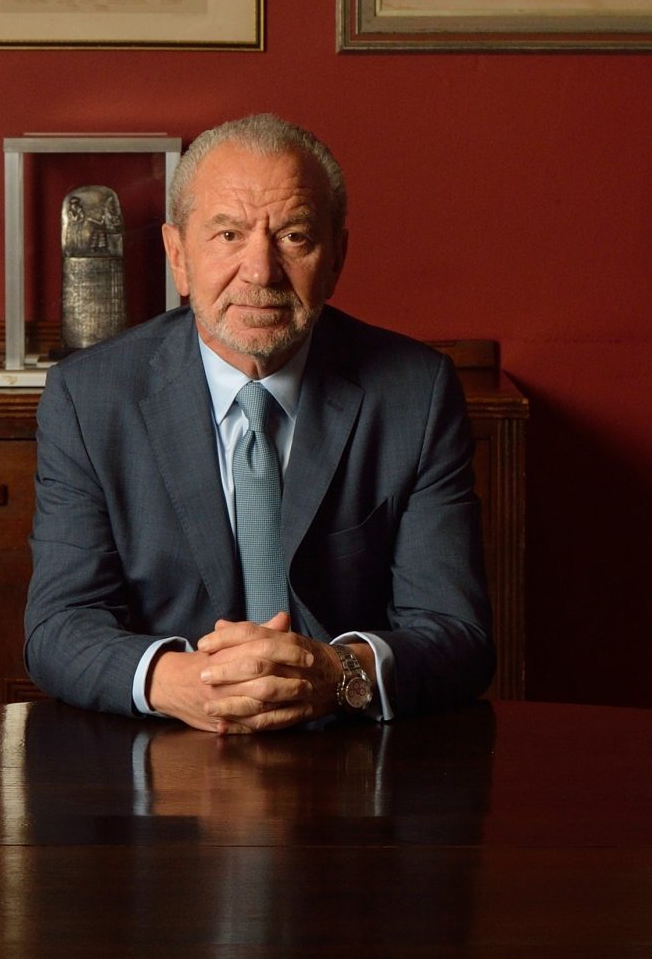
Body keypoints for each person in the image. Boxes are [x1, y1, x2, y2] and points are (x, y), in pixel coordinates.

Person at [24, 115, 494, 731]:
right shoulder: (88, 399)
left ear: (336, 258)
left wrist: (337, 674)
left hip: (350, 757)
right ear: (177, 257)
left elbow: (458, 635)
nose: (261, 271)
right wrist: (181, 681)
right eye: (227, 234)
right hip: (164, 757)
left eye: (294, 236)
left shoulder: (415, 393)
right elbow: (58, 627)